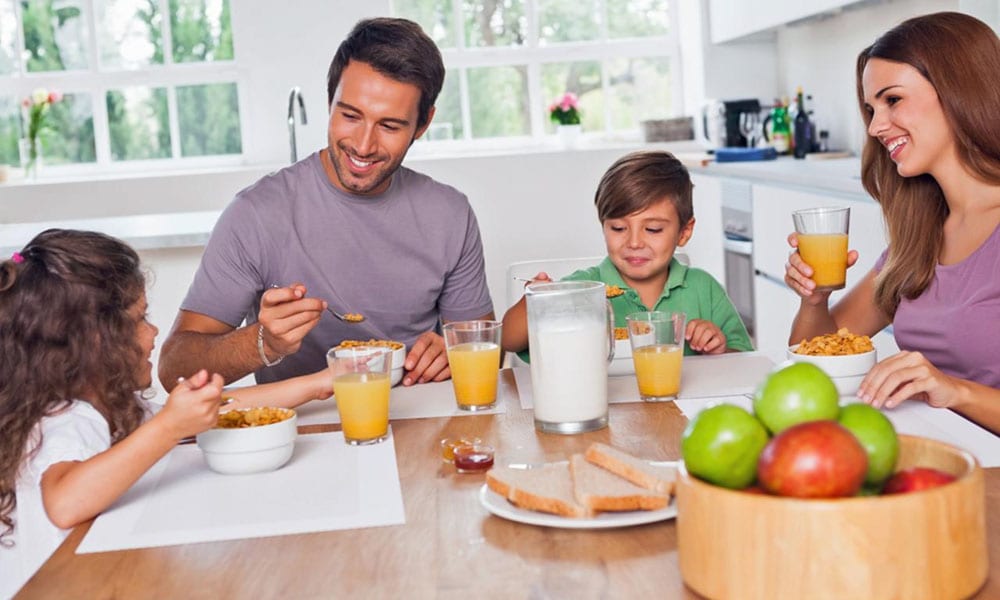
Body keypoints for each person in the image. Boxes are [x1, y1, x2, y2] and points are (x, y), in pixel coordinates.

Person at [157, 17, 494, 389]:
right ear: (329, 100)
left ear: (423, 124)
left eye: (390, 126)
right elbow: (175, 370)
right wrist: (263, 343)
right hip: (305, 430)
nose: (363, 146)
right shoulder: (256, 214)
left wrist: (453, 351)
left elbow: (483, 348)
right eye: (350, 116)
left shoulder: (449, 215)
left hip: (421, 420)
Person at [0, 229, 333, 598]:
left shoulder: (115, 405)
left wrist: (319, 382)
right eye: (139, 320)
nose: (154, 331)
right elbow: (64, 504)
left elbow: (216, 407)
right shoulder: (62, 416)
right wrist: (169, 427)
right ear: (93, 341)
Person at [785, 12, 1000, 434]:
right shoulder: (920, 237)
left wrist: (954, 391)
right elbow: (815, 357)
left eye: (893, 100)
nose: (876, 126)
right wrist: (816, 298)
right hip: (935, 457)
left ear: (958, 90)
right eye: (870, 108)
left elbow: (950, 390)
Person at [502, 150, 753, 357]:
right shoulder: (582, 292)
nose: (634, 242)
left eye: (653, 229)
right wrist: (534, 302)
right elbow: (509, 341)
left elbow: (743, 360)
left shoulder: (703, 289)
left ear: (684, 232)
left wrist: (718, 349)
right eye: (619, 228)